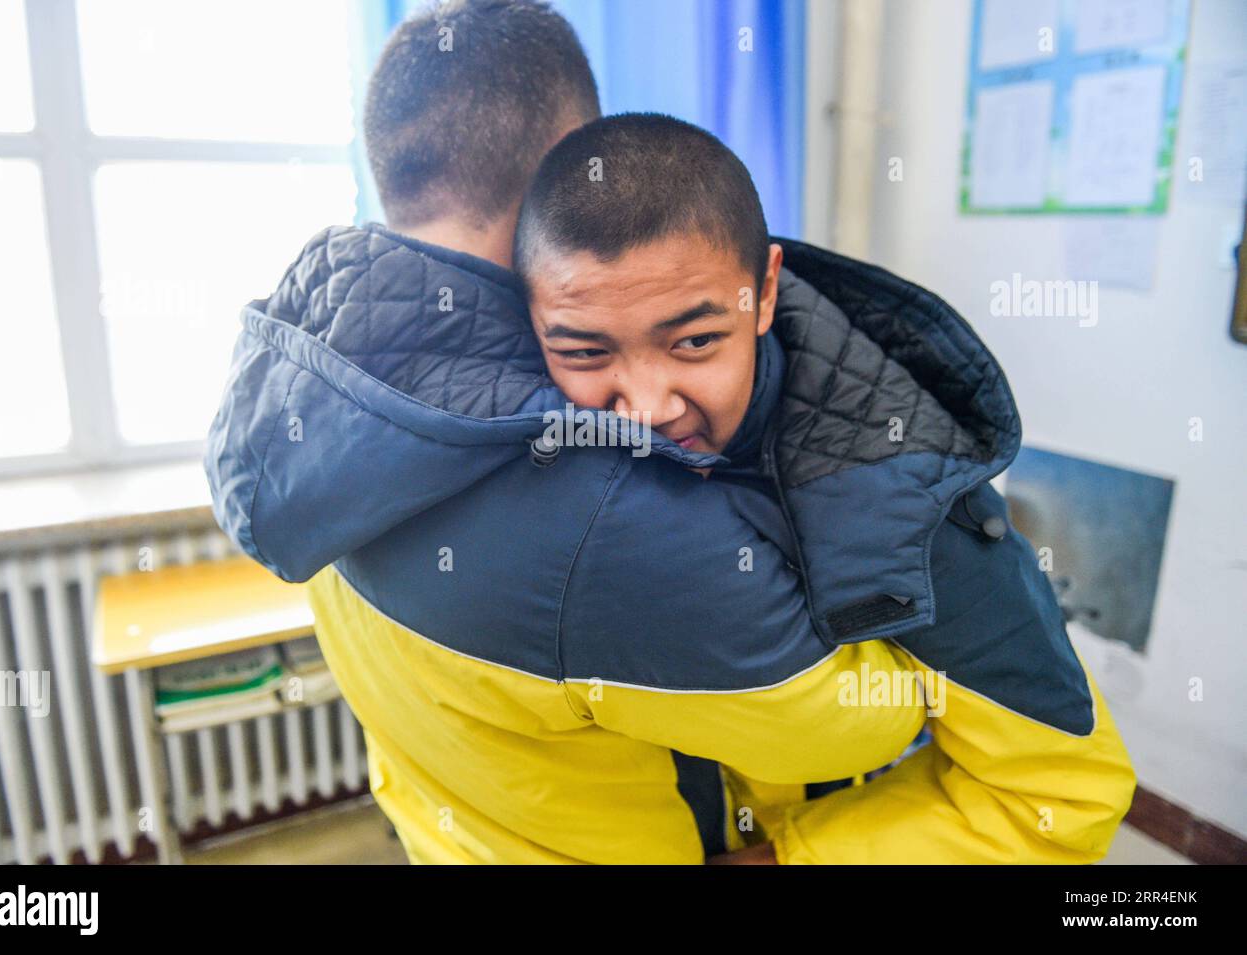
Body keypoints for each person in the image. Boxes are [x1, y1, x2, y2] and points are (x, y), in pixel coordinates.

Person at [205, 4, 1137, 863]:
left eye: (694, 336)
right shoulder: (595, 506)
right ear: (583, 163)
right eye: (583, 340)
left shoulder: (311, 388)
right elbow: (872, 725)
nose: (645, 403)